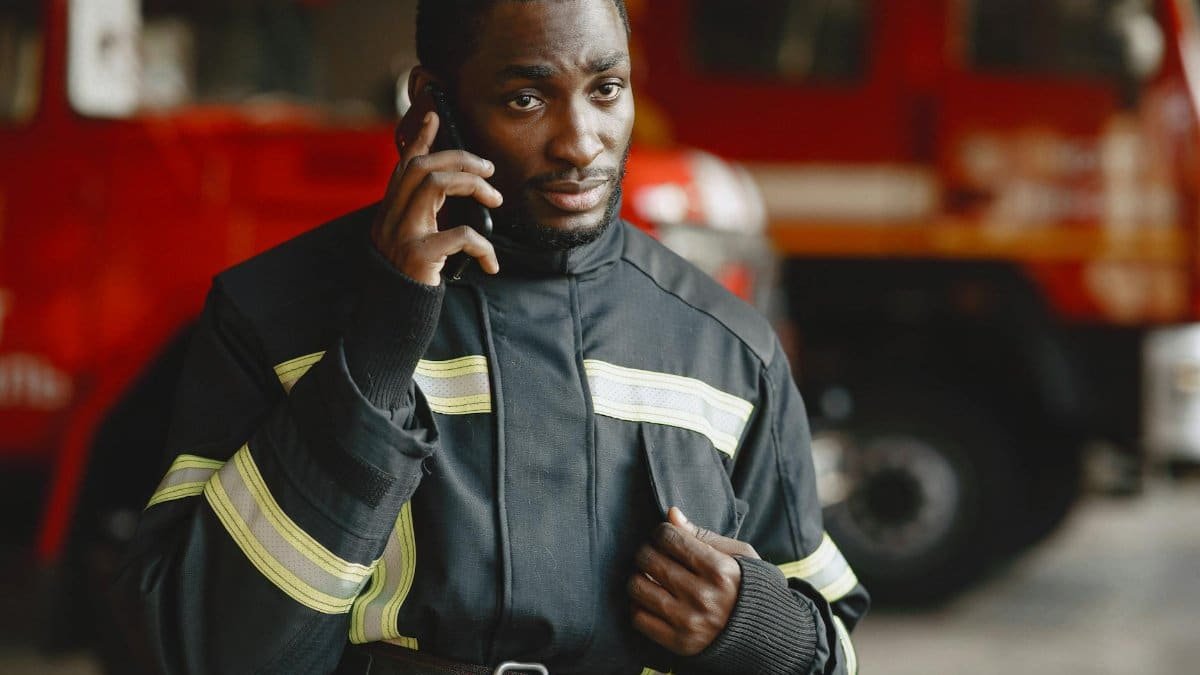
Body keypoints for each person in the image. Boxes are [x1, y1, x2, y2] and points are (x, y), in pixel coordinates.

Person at [114, 1, 869, 673]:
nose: (581, 142)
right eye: (526, 97)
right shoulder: (272, 313)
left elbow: (831, 643)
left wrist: (755, 626)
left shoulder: (727, 347)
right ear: (431, 104)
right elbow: (193, 646)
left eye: (607, 89)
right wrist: (378, 353)